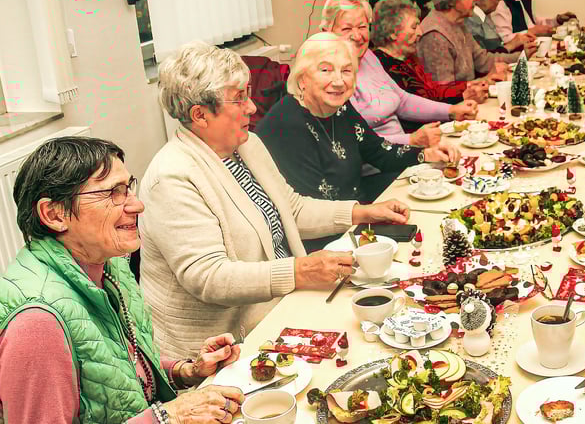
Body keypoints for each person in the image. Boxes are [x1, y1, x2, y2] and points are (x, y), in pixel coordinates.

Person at [139, 42, 412, 358]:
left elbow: (291, 210)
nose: (252, 108)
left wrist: (363, 212)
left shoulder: (246, 144)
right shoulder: (173, 176)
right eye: (239, 98)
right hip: (221, 348)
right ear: (199, 115)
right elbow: (210, 277)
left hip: (282, 308)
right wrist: (300, 271)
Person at [0, 136, 247, 424]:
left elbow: (117, 376)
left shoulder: (106, 267)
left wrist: (185, 371)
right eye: (114, 193)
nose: (137, 205)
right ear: (54, 214)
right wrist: (167, 416)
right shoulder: (37, 324)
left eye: (128, 188)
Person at [257, 34, 460, 208]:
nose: (338, 81)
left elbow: (379, 151)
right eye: (325, 70)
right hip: (325, 238)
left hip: (355, 209)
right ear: (302, 79)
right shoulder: (286, 123)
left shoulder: (340, 107)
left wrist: (425, 154)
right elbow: (313, 206)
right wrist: (370, 214)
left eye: (346, 71)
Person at [319, 0, 478, 144]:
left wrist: (451, 111)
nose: (358, 36)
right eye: (347, 29)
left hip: (402, 153)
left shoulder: (367, 56)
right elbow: (355, 139)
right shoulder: (331, 79)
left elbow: (402, 100)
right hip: (378, 166)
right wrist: (411, 140)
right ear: (326, 32)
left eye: (362, 27)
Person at [370, 0, 489, 104]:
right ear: (392, 32)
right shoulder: (381, 66)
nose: (420, 32)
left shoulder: (408, 58)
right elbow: (418, 108)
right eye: (414, 27)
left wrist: (468, 86)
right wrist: (463, 97)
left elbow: (433, 92)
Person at [416, 0, 523, 84]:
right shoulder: (435, 35)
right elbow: (444, 91)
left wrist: (523, 56)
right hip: (455, 102)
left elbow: (484, 60)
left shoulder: (458, 23)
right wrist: (484, 81)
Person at [466, 0, 536, 53]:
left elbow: (497, 48)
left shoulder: (485, 17)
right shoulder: (471, 21)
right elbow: (483, 59)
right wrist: (512, 45)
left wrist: (519, 45)